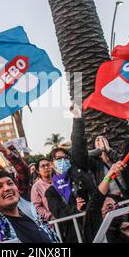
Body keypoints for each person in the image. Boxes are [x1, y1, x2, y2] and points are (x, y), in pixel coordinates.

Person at [45, 104, 97, 243]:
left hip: (94, 225)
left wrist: (77, 118)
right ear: (51, 164)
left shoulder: (78, 171)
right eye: (58, 159)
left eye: (65, 158)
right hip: (73, 235)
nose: (62, 161)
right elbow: (59, 213)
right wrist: (76, 210)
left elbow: (78, 145)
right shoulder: (51, 191)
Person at [30, 157, 54, 221]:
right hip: (55, 223)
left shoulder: (60, 180)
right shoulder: (36, 187)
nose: (46, 167)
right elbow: (37, 207)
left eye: (48, 165)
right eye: (43, 166)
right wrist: (50, 216)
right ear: (38, 171)